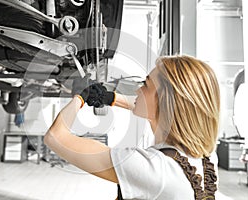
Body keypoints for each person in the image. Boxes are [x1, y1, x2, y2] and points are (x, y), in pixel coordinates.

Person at [44, 55, 220, 200]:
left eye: (145, 84)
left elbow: (55, 137)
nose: (137, 91)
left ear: (165, 101)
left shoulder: (153, 169)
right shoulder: (205, 157)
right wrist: (108, 97)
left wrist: (79, 97)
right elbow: (155, 110)